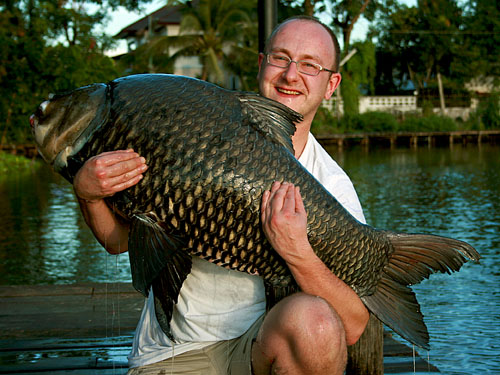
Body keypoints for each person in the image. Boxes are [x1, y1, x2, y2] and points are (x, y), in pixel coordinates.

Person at [73, 15, 369, 375]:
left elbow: (353, 326)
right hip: (173, 354)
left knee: (317, 325)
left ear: (331, 83)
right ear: (262, 64)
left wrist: (297, 252)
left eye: (309, 65)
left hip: (262, 350)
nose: (291, 75)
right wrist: (89, 196)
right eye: (280, 58)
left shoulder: (332, 186)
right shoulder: (193, 134)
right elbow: (119, 241)